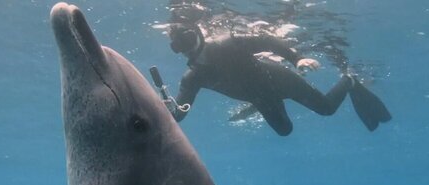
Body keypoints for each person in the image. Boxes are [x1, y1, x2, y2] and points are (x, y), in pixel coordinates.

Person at [165, 23, 391, 136]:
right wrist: (168, 111)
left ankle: (349, 81)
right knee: (285, 131)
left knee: (327, 109)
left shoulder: (229, 43)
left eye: (187, 39)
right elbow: (181, 112)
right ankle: (254, 106)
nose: (185, 49)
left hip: (280, 80)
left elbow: (268, 41)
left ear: (198, 34)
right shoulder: (192, 78)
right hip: (260, 96)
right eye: (178, 46)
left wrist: (297, 59)